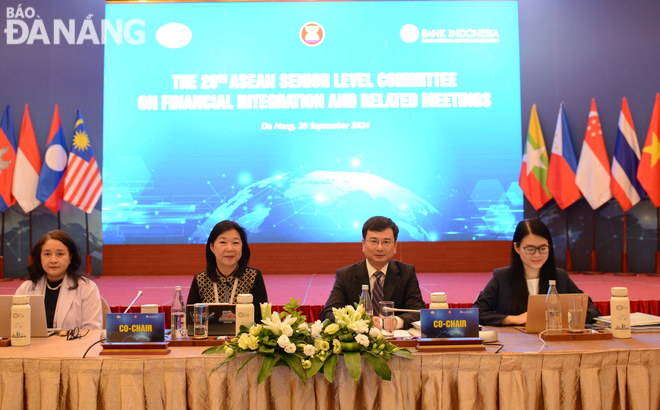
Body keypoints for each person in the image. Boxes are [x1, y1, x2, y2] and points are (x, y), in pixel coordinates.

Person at [473, 219, 601, 326]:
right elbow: (475, 313)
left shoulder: (560, 276)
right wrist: (514, 319)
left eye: (543, 248)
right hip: (515, 346)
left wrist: (561, 317)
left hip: (554, 345)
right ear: (517, 248)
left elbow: (591, 311)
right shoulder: (502, 277)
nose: (537, 254)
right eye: (530, 249)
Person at [320, 216, 425, 329]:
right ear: (363, 244)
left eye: (386, 242)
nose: (380, 248)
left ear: (395, 246)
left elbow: (418, 311)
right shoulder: (345, 275)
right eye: (374, 241)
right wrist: (357, 324)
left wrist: (394, 322)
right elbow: (328, 313)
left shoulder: (406, 273)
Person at [15, 230, 103, 330]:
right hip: (33, 345)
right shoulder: (26, 288)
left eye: (60, 254)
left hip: (73, 345)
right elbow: (15, 327)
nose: (53, 260)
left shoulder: (86, 288)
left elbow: (91, 332)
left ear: (70, 257)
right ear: (40, 257)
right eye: (47, 254)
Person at [187, 220, 268, 324]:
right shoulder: (200, 280)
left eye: (235, 243)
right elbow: (191, 320)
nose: (230, 248)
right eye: (223, 242)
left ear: (242, 246)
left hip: (245, 339)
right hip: (208, 339)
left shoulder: (253, 277)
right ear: (211, 247)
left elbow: (261, 319)